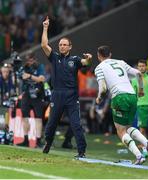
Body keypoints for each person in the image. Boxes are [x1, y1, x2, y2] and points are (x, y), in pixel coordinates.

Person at [94, 45, 148, 165]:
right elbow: (138, 73)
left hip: (119, 97)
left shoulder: (99, 67)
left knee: (120, 131)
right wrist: (141, 90)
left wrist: (99, 97)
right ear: (110, 54)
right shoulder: (120, 62)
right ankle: (147, 143)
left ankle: (139, 156)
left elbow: (103, 88)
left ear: (98, 56)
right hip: (132, 95)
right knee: (127, 127)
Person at [41, 16, 92, 157]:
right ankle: (48, 143)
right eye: (60, 44)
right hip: (56, 94)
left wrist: (89, 58)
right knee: (51, 124)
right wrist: (45, 28)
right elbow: (44, 45)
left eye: (65, 45)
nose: (62, 46)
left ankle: (81, 151)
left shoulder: (74, 60)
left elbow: (86, 63)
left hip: (71, 95)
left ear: (70, 47)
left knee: (76, 124)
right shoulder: (54, 57)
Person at [17, 52, 45, 148]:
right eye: (28, 60)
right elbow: (19, 76)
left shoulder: (40, 66)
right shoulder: (24, 67)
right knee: (25, 117)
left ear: (35, 59)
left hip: (37, 95)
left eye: (32, 59)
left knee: (38, 118)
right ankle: (25, 139)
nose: (30, 61)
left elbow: (42, 79)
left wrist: (30, 76)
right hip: (27, 94)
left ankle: (38, 141)